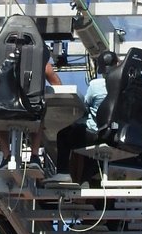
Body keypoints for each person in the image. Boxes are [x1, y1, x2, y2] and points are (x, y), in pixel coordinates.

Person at [0, 37, 62, 170]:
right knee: (39, 108)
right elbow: (53, 78)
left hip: (3, 106)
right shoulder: (36, 53)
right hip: (30, 108)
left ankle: (6, 155)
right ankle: (34, 156)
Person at [51, 50, 119, 183]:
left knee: (64, 135)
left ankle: (63, 172)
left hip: (94, 134)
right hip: (115, 136)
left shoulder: (96, 85)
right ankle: (86, 181)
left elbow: (85, 106)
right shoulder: (124, 87)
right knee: (90, 148)